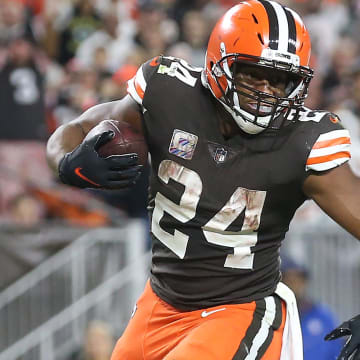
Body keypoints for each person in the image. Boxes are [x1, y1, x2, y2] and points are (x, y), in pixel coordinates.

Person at [46, 1, 360, 359]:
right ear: (218, 62)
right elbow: (77, 128)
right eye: (252, 73)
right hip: (161, 302)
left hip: (239, 309)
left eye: (279, 80)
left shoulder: (303, 140)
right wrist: (67, 161)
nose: (265, 91)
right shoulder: (169, 94)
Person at [281, 256, 343, 359]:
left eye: (298, 279)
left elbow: (337, 350)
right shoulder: (273, 316)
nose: (294, 284)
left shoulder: (322, 316)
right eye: (289, 279)